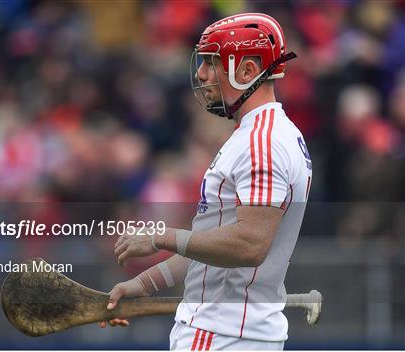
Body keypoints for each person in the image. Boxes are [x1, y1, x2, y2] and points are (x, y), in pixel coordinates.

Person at [100, 13, 313, 350]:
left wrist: (160, 237)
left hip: (221, 336)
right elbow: (211, 246)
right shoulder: (264, 135)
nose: (201, 74)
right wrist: (144, 283)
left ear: (246, 71)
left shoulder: (262, 143)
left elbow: (249, 245)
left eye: (213, 63)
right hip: (232, 334)